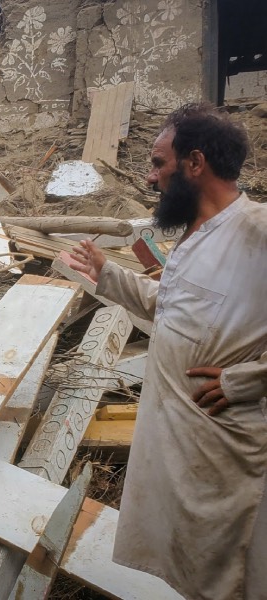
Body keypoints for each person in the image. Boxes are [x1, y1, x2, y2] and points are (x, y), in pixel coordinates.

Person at [70, 103, 266, 600]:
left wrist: (244, 381)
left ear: (195, 164)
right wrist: (106, 274)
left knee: (230, 574)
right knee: (189, 569)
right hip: (179, 447)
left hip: (223, 450)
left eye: (159, 163)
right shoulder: (194, 236)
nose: (150, 176)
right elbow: (174, 309)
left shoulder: (257, 231)